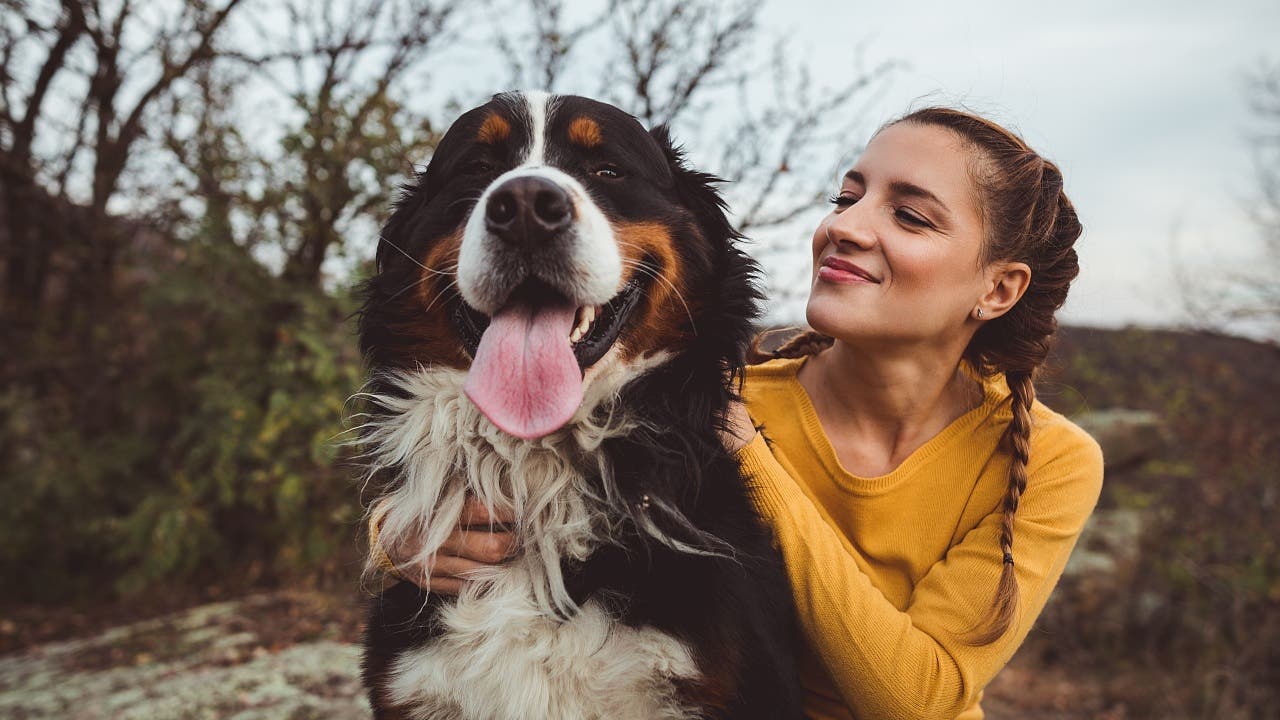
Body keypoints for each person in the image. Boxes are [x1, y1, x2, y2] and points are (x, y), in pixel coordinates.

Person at [371, 106, 1104, 720]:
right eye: (846, 197)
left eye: (909, 215)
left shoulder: (1047, 456)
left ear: (999, 289)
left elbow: (923, 697)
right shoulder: (690, 394)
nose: (847, 226)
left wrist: (742, 441)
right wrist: (397, 536)